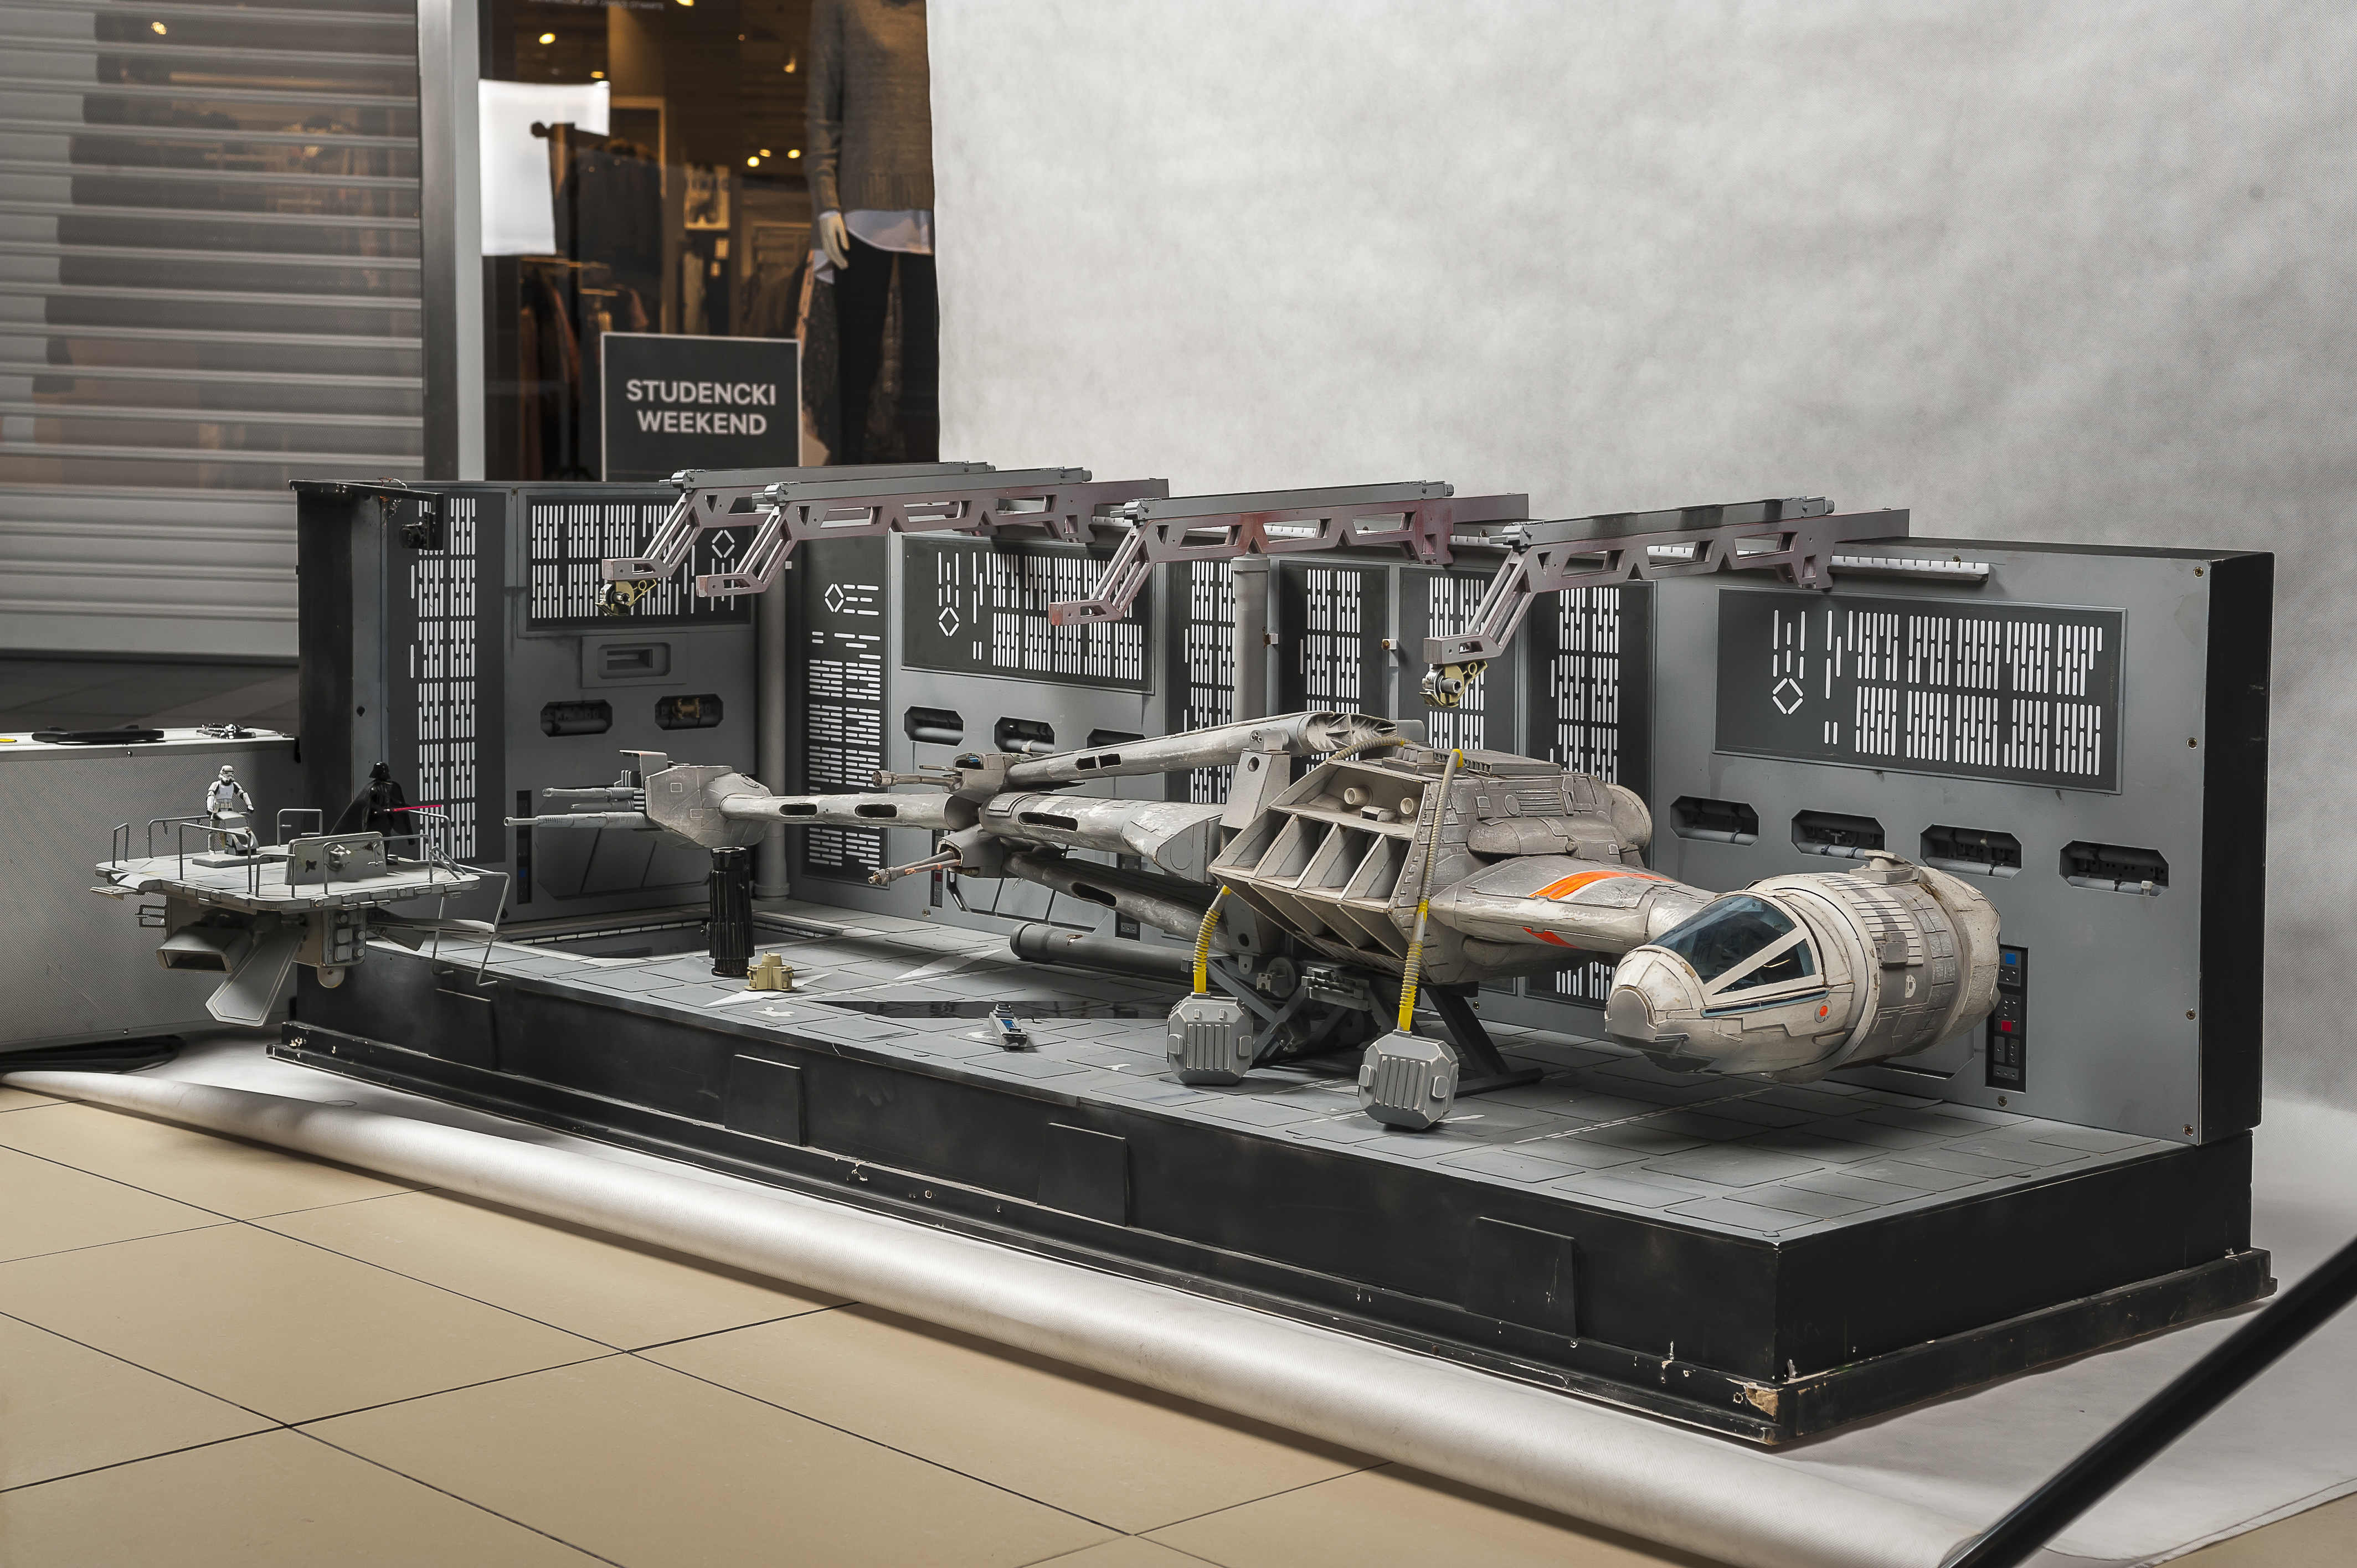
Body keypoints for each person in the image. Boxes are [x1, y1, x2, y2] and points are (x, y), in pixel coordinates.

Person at [806, 0, 937, 462]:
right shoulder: (844, 5)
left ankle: (936, 489)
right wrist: (825, 202)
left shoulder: (946, 11)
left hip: (940, 207)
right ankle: (847, 487)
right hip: (859, 209)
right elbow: (822, 105)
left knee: (930, 374)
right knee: (855, 371)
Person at [203, 764, 256, 855]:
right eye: (227, 773)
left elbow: (242, 794)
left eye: (231, 773)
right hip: (217, 809)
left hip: (229, 809)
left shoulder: (234, 785)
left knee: (233, 829)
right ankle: (211, 849)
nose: (229, 775)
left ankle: (232, 847)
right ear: (223, 773)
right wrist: (210, 808)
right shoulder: (217, 784)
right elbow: (210, 796)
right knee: (213, 831)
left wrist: (249, 805)